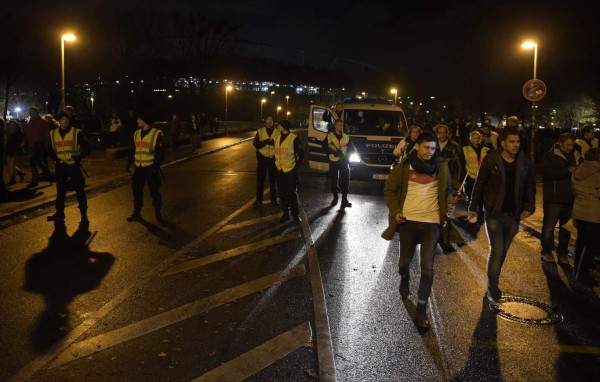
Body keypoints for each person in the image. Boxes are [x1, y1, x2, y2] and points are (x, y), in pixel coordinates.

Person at [382, 132, 455, 329]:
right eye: (425, 147)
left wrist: (449, 203)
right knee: (403, 263)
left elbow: (448, 190)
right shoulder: (404, 166)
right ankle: (405, 277)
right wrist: (396, 212)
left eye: (432, 148)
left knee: (427, 268)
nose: (429, 152)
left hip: (431, 223)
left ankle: (421, 310)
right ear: (417, 147)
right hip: (408, 222)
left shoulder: (441, 167)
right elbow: (389, 190)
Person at [468, 127, 536, 306]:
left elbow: (530, 185)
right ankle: (492, 288)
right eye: (512, 142)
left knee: (503, 252)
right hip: (494, 214)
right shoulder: (492, 159)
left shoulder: (525, 161)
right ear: (503, 142)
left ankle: (492, 282)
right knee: (497, 251)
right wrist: (473, 207)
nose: (515, 145)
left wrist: (530, 206)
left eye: (518, 142)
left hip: (514, 215)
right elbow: (480, 184)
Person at [539, 133, 581, 264]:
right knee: (549, 227)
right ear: (560, 143)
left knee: (566, 228)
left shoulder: (577, 155)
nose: (570, 147)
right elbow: (546, 173)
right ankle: (546, 251)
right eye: (567, 144)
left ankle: (562, 252)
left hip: (571, 197)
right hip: (554, 197)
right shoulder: (549, 156)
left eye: (572, 145)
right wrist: (567, 170)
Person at [46, 112, 92, 223]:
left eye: (66, 119)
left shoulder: (76, 132)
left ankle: (84, 214)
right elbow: (49, 149)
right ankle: (59, 213)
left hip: (73, 166)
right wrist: (56, 159)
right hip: (60, 166)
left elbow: (88, 147)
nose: (65, 121)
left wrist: (79, 156)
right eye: (62, 119)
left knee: (79, 190)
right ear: (59, 121)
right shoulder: (53, 133)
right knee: (60, 191)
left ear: (69, 120)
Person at [125, 113, 165, 223]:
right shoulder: (136, 133)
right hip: (139, 168)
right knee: (136, 191)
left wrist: (155, 168)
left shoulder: (156, 134)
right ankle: (137, 213)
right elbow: (133, 150)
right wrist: (129, 163)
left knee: (154, 191)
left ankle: (158, 212)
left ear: (145, 120)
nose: (137, 121)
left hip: (151, 168)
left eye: (139, 119)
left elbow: (160, 153)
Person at [571, 148, 600, 287]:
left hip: (579, 210)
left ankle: (576, 270)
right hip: (594, 213)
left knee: (580, 242)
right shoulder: (598, 171)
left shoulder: (578, 170)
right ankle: (582, 275)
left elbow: (573, 189)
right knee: (591, 246)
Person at [274, 119, 303, 223]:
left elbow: (300, 154)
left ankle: (295, 216)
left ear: (285, 126)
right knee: (282, 193)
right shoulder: (277, 138)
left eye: (279, 125)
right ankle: (285, 214)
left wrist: (296, 165)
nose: (278, 126)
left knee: (291, 193)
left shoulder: (294, 138)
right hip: (279, 169)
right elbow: (277, 153)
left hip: (290, 170)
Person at [21, 106, 52, 187]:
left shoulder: (42, 122)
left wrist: (45, 144)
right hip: (32, 145)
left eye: (31, 112)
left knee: (37, 161)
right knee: (33, 162)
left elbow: (46, 134)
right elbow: (27, 134)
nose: (29, 114)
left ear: (35, 112)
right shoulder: (30, 123)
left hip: (39, 144)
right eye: (29, 112)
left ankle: (44, 174)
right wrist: (24, 143)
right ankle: (36, 178)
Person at [462, 130, 489, 222]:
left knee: (481, 197)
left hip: (482, 177)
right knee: (469, 196)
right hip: (470, 176)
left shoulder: (485, 149)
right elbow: (463, 163)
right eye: (474, 138)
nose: (476, 140)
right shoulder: (465, 149)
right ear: (470, 138)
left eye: (478, 138)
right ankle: (469, 215)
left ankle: (480, 215)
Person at [253, 115, 279, 206]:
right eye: (268, 119)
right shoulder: (260, 131)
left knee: (273, 180)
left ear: (273, 121)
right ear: (265, 121)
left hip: (273, 159)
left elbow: (281, 146)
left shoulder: (278, 132)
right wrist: (265, 142)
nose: (270, 121)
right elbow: (256, 144)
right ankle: (258, 200)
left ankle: (273, 199)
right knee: (260, 180)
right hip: (262, 159)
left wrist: (273, 143)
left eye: (272, 119)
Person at [326, 119, 352, 207]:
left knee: (345, 180)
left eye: (342, 125)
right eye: (339, 125)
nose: (341, 127)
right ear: (335, 126)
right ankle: (335, 197)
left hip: (344, 161)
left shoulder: (346, 137)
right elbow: (324, 147)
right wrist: (332, 152)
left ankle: (344, 200)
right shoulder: (329, 136)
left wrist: (347, 155)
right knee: (334, 180)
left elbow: (351, 149)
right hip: (334, 161)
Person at [435, 124, 463, 191]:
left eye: (444, 133)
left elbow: (459, 165)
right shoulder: (431, 145)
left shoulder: (454, 146)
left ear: (447, 133)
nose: (442, 135)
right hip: (434, 178)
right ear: (436, 134)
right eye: (440, 133)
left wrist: (456, 180)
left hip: (449, 177)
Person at [5, 120, 26, 185]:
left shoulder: (18, 132)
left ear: (16, 125)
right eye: (11, 124)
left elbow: (22, 140)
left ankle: (12, 178)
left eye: (13, 124)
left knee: (11, 163)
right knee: (10, 164)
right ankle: (20, 173)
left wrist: (22, 146)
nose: (12, 126)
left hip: (15, 149)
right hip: (9, 149)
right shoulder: (9, 132)